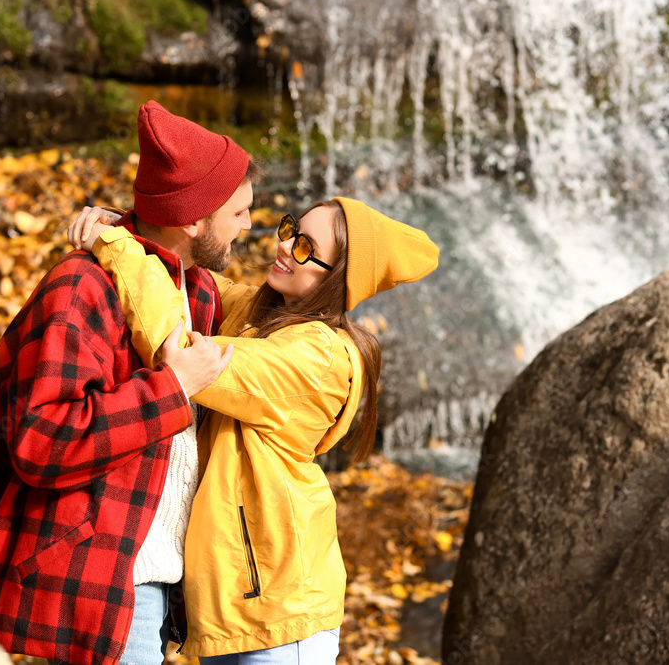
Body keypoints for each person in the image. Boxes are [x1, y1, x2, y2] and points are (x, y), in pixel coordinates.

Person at [67, 196, 439, 663]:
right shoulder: (263, 316)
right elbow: (187, 280)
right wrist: (137, 226)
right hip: (239, 604)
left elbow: (184, 352)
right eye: (290, 230)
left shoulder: (316, 358)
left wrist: (114, 245)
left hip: (281, 610)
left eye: (306, 247)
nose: (284, 247)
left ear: (338, 278)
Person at [0, 101, 260, 665]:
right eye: (239, 212)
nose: (249, 225)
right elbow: (40, 441)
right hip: (99, 587)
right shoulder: (80, 289)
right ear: (193, 219)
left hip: (160, 589)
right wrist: (171, 388)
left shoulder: (198, 290)